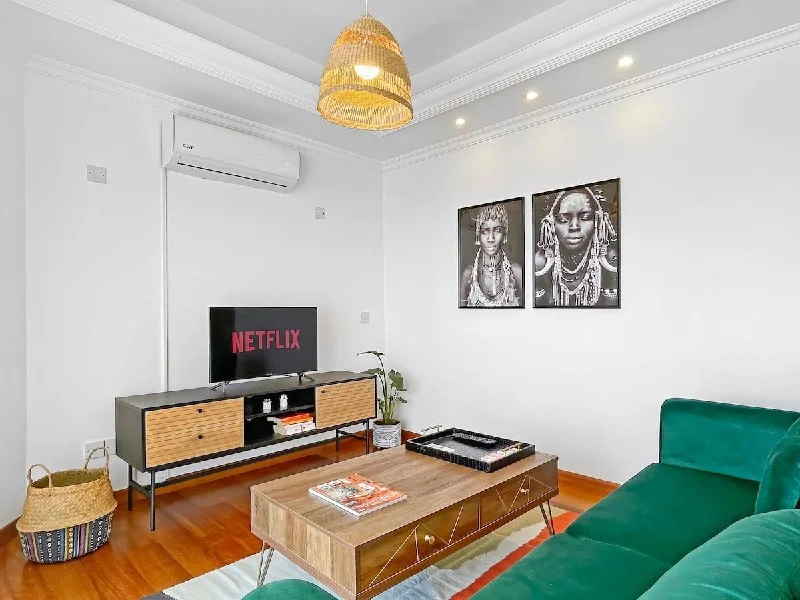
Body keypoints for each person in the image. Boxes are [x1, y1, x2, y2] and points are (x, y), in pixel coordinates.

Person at [534, 186, 618, 307]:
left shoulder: (610, 260)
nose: (574, 226)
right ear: (551, 224)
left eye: (585, 217)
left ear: (598, 221)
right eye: (563, 219)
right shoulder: (540, 263)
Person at [460, 203, 523, 307]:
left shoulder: (516, 272)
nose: (491, 238)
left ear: (504, 234)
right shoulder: (469, 275)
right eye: (484, 231)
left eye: (497, 230)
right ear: (478, 236)